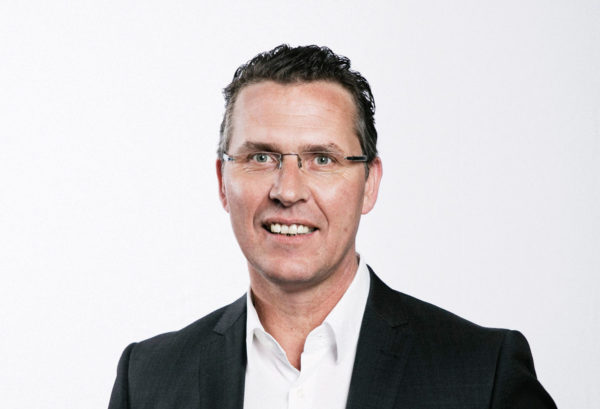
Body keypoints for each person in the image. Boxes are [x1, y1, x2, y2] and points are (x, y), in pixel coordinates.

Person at [108, 44, 556, 409]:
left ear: (369, 184)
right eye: (261, 157)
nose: (288, 190)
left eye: (322, 159)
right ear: (222, 182)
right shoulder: (148, 379)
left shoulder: (482, 374)